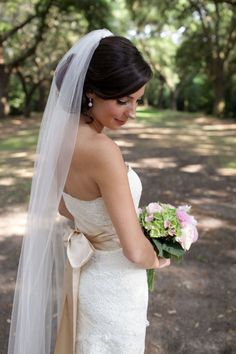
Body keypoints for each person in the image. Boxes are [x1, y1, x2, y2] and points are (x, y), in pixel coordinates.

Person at [8, 29, 170, 354]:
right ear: (91, 93)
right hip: (118, 286)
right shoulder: (103, 151)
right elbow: (134, 252)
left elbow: (64, 208)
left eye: (137, 100)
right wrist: (158, 255)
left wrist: (98, 225)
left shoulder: (59, 141)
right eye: (122, 100)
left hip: (89, 278)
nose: (132, 112)